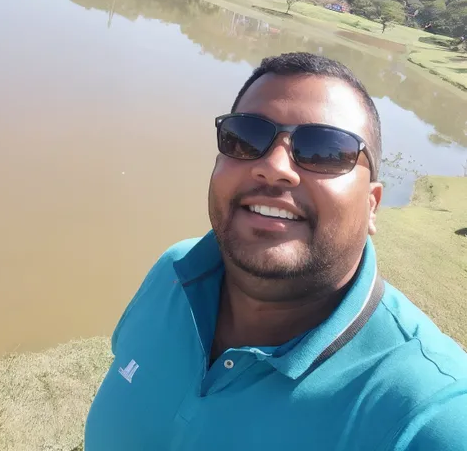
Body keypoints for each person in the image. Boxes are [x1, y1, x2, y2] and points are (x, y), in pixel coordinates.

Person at [85, 52, 467, 450]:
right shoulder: (174, 272)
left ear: (372, 204)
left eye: (325, 150)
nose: (274, 166)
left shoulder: (432, 416)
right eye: (247, 137)